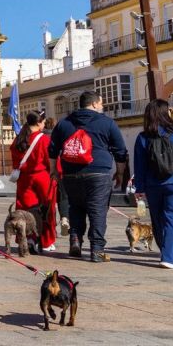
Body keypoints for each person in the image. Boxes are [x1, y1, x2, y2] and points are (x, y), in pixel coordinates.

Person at [47, 90, 129, 263]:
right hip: (98, 173)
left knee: (75, 207)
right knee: (97, 211)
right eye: (101, 103)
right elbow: (120, 151)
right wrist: (120, 172)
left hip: (70, 174)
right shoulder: (107, 123)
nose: (102, 106)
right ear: (93, 104)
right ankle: (97, 250)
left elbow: (53, 149)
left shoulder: (64, 123)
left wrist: (54, 170)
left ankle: (75, 240)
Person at [133, 100, 173, 269]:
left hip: (153, 185)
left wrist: (139, 187)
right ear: (166, 113)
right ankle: (170, 258)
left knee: (158, 220)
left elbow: (139, 165)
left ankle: (167, 252)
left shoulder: (143, 137)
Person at [12, 111, 56, 252]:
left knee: (25, 211)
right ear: (38, 123)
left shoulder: (18, 139)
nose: (44, 125)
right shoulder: (44, 139)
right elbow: (50, 161)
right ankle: (46, 241)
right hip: (42, 178)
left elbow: (14, 161)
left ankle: (28, 238)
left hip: (23, 179)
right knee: (46, 210)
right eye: (43, 122)